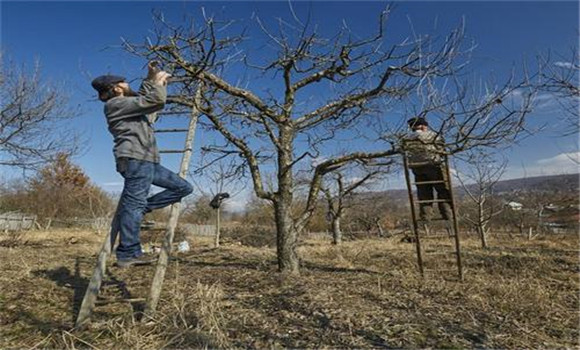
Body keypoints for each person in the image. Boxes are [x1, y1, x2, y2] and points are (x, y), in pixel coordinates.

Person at [91, 62, 193, 268]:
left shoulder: (126, 102)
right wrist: (158, 83)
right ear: (116, 88)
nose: (127, 83)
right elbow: (155, 101)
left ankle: (137, 209)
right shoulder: (115, 105)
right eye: (123, 82)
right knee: (134, 206)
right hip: (135, 160)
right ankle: (128, 253)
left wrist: (151, 77)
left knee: (183, 187)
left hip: (148, 161)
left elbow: (142, 97)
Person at [403, 117, 453, 225]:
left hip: (417, 168)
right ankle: (448, 214)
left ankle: (426, 217)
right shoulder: (432, 135)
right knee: (443, 190)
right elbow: (442, 147)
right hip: (433, 165)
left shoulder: (406, 139)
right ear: (422, 125)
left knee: (424, 193)